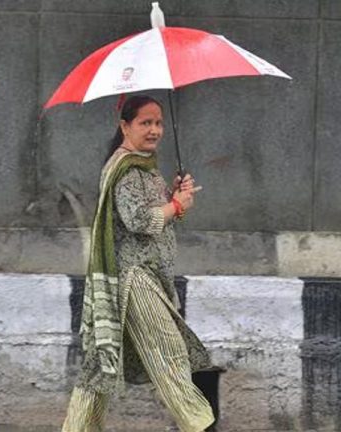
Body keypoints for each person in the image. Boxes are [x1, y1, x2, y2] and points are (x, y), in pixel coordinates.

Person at [62, 95, 214, 432]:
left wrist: (174, 196)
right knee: (169, 352)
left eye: (158, 123)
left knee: (99, 366)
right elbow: (139, 220)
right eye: (145, 122)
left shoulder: (143, 166)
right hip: (134, 279)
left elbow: (152, 212)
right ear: (125, 126)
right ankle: (200, 425)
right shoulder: (127, 170)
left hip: (140, 275)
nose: (154, 130)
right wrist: (176, 205)